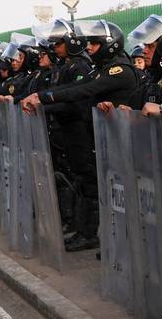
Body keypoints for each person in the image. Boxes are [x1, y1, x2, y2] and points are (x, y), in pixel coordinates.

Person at [20, 20, 139, 252]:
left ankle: (101, 239)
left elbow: (83, 90)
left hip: (120, 143)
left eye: (95, 43)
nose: (90, 47)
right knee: (88, 185)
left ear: (110, 45)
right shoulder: (102, 69)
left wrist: (42, 99)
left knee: (104, 189)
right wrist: (38, 96)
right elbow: (78, 86)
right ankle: (92, 234)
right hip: (103, 139)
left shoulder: (120, 70)